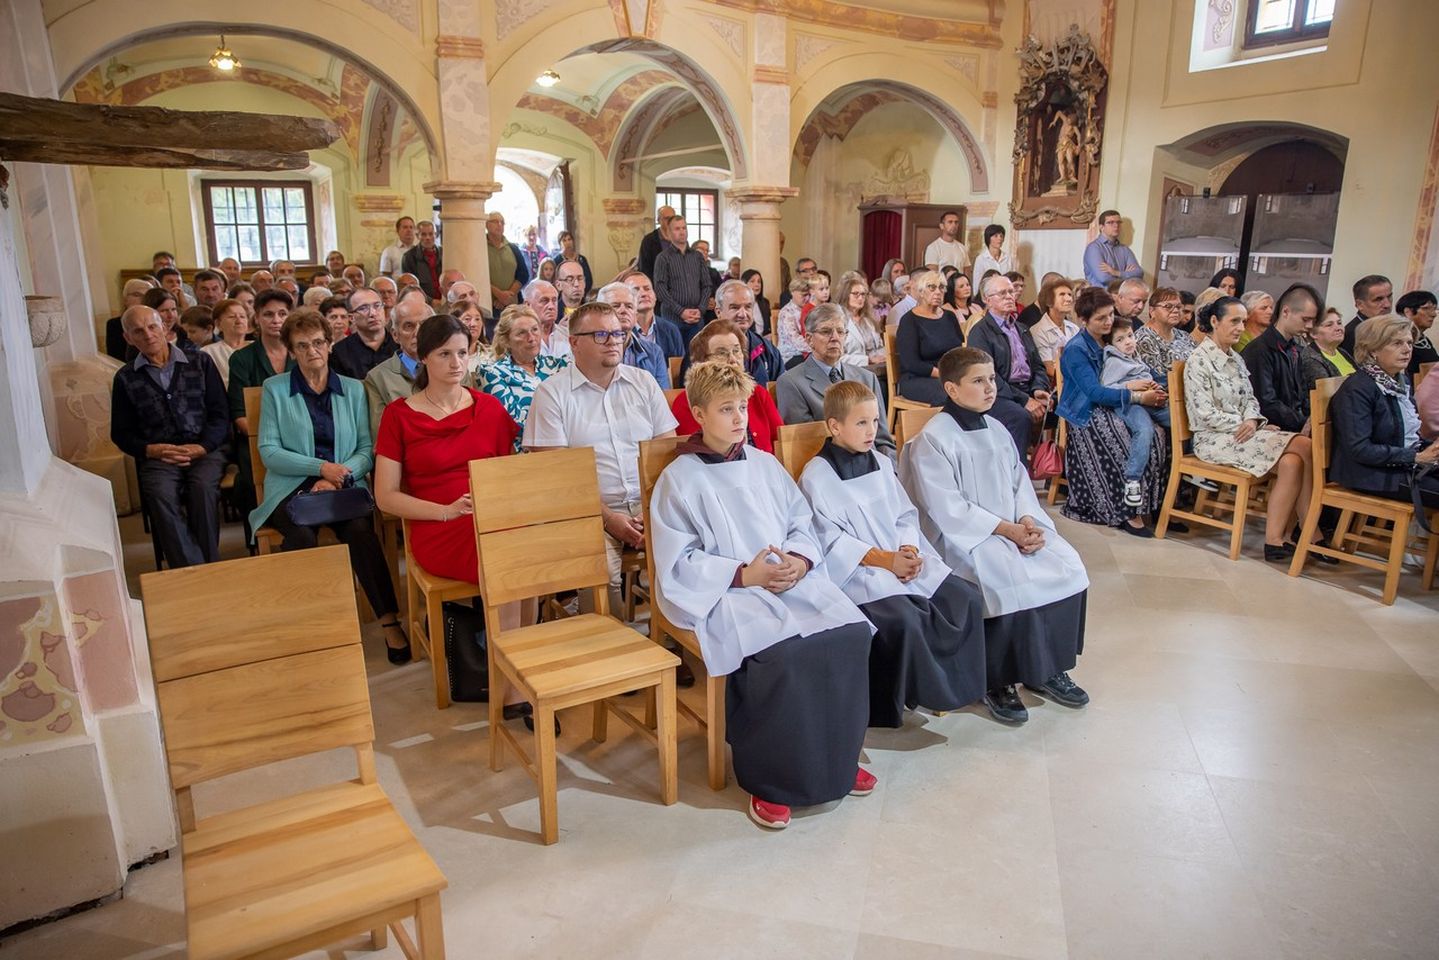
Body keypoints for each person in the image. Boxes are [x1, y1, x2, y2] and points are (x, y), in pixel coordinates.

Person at [650, 359, 876, 830]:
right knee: (784, 656)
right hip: (729, 592)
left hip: (789, 578)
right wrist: (742, 575)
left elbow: (801, 521)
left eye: (743, 408)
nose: (738, 419)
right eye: (725, 409)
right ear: (698, 413)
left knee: (850, 635)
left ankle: (834, 758)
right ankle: (771, 782)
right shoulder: (680, 478)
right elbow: (677, 559)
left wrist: (802, 559)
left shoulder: (767, 464)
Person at [900, 346, 1090, 724]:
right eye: (978, 381)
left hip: (1013, 526)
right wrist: (1007, 531)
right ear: (952, 389)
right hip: (963, 539)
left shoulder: (997, 428)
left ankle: (1045, 668)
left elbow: (1020, 483)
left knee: (1066, 564)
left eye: (991, 379)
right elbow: (946, 509)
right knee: (1003, 573)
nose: (990, 388)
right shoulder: (934, 440)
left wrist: (1029, 522)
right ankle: (997, 681)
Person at [799, 379, 987, 727]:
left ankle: (956, 687)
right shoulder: (817, 476)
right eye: (861, 423)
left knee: (966, 598)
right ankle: (912, 696)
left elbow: (904, 513)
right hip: (861, 573)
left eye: (875, 420)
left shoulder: (881, 463)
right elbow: (829, 542)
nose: (872, 430)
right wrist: (887, 561)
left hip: (902, 557)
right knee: (904, 619)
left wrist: (909, 548)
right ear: (834, 426)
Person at [250, 309, 409, 662]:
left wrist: (339, 475)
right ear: (291, 351)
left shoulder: (352, 389)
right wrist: (320, 468)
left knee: (358, 529)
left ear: (330, 343)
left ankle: (388, 621)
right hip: (290, 487)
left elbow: (367, 450)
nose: (312, 352)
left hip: (343, 484)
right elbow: (269, 451)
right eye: (302, 346)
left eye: (319, 343)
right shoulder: (275, 389)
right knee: (302, 536)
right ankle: (310, 624)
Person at [374, 315, 525, 673]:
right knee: (508, 559)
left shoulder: (488, 407)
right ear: (423, 356)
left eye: (463, 353)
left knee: (524, 547)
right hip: (438, 523)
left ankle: (514, 662)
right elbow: (386, 496)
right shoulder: (399, 416)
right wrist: (446, 510)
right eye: (445, 354)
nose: (457, 363)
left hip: (490, 515)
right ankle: (513, 673)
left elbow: (510, 475)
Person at [524, 301, 678, 611]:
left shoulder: (643, 383)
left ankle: (671, 641)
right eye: (600, 335)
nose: (613, 341)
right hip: (586, 509)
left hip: (647, 503)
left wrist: (649, 509)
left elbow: (666, 453)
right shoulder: (552, 394)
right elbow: (556, 478)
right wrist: (609, 519)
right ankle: (613, 646)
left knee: (687, 554)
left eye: (618, 333)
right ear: (574, 343)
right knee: (603, 575)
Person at [1184, 296, 1315, 561]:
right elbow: (1202, 414)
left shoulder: (1236, 359)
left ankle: (1276, 540)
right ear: (1214, 321)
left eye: (1243, 321)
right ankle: (1312, 530)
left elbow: (1251, 401)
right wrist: (1246, 425)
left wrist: (1253, 421)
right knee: (1306, 445)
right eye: (1234, 321)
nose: (1241, 328)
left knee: (1292, 463)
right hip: (1213, 439)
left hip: (1243, 434)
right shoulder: (1198, 361)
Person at [110, 305, 229, 568]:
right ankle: (192, 569)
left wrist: (203, 446)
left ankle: (210, 565)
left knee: (202, 489)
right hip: (159, 455)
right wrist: (152, 450)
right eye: (138, 331)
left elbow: (221, 415)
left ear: (165, 328)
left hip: (204, 449)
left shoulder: (200, 362)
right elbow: (121, 433)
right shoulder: (125, 378)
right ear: (128, 338)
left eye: (153, 327)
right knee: (160, 494)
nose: (148, 335)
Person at [1057, 288, 1167, 535]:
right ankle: (1127, 512)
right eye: (1100, 318)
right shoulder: (1077, 349)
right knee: (1125, 439)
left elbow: (1136, 368)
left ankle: (1153, 505)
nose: (1108, 322)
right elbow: (1095, 393)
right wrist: (1137, 395)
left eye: (1110, 315)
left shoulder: (1112, 337)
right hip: (1087, 412)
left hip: (1115, 402)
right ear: (1084, 321)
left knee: (1158, 435)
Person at [1330, 314, 1439, 508]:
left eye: (1409, 343)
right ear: (1373, 350)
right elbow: (1359, 449)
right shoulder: (1358, 388)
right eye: (1397, 343)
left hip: (1399, 465)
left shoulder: (1398, 381)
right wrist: (1416, 457)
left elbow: (1405, 435)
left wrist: (1431, 449)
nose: (1407, 350)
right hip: (1371, 474)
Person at [776, 304, 896, 458]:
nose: (835, 338)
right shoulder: (791, 383)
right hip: (830, 467)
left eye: (840, 332)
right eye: (826, 332)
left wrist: (892, 471)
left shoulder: (867, 378)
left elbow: (883, 440)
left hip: (875, 464)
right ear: (809, 339)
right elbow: (806, 445)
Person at [964, 273, 1052, 458]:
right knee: (1019, 417)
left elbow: (1038, 366)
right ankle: (1016, 477)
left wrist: (1037, 390)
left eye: (1011, 292)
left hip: (1027, 389)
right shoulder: (980, 332)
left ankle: (1061, 478)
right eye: (1002, 293)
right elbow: (989, 376)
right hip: (997, 394)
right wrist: (1025, 400)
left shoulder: (1021, 328)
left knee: (1066, 411)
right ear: (987, 300)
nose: (1010, 296)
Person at [228, 290, 297, 517]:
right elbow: (240, 416)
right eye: (268, 314)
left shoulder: (303, 353)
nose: (276, 320)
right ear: (256, 318)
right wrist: (272, 442)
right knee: (251, 475)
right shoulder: (242, 358)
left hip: (301, 437)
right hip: (257, 439)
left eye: (282, 313)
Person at [671, 320, 784, 452]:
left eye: (736, 351)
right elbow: (693, 454)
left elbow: (780, 441)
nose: (732, 359)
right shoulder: (687, 401)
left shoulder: (758, 393)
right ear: (702, 361)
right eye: (721, 353)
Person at [1102, 316, 1173, 509]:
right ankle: (1132, 479)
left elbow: (1146, 376)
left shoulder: (1134, 356)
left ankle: (1192, 464)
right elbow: (1107, 388)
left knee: (1178, 420)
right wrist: (1131, 385)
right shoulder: (1114, 361)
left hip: (1148, 399)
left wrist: (1154, 386)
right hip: (1129, 403)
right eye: (1120, 339)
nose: (1128, 341)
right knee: (1144, 429)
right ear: (1110, 344)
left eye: (1130, 335)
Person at [481, 304, 568, 452]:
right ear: (506, 340)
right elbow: (514, 422)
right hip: (524, 454)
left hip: (569, 445)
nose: (531, 338)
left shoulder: (560, 365)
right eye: (522, 333)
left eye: (535, 330)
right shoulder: (493, 372)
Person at [1241, 283, 1319, 433]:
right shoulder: (1258, 350)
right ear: (1286, 312)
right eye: (1305, 319)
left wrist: (1313, 419)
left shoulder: (1295, 349)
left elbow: (1302, 395)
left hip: (1291, 424)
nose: (1310, 325)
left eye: (1313, 320)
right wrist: (1305, 423)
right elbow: (1266, 403)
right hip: (1272, 426)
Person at [364, 298, 445, 442]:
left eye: (424, 325)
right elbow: (382, 437)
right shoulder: (377, 378)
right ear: (395, 335)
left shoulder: (454, 368)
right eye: (409, 326)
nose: (418, 333)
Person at [894, 270, 966, 407]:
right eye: (932, 287)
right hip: (917, 378)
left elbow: (959, 350)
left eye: (941, 287)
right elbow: (911, 363)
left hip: (949, 375)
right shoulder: (909, 320)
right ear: (921, 292)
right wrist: (943, 374)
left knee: (974, 389)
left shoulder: (950, 317)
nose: (938, 292)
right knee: (951, 393)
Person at [654, 215, 713, 348]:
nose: (682, 232)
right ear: (669, 233)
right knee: (674, 358)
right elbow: (660, 289)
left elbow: (706, 285)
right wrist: (681, 311)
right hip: (672, 318)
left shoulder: (697, 256)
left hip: (696, 318)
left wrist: (701, 309)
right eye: (677, 229)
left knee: (696, 356)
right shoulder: (663, 258)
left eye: (684, 228)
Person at [597, 281, 668, 388]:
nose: (623, 310)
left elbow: (662, 396)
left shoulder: (654, 352)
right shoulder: (591, 351)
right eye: (615, 306)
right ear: (600, 314)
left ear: (635, 316)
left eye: (629, 306)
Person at [713, 278, 784, 385]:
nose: (743, 314)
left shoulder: (767, 349)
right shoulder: (702, 348)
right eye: (735, 307)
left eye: (748, 307)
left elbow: (780, 389)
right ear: (719, 312)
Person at [329, 286, 397, 381]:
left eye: (377, 306)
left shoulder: (400, 345)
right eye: (363, 308)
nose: (372, 313)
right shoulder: (339, 353)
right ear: (351, 317)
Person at [1133, 286, 1194, 377]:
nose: (1176, 310)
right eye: (1168, 306)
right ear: (1152, 311)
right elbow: (1159, 379)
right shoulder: (1144, 338)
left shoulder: (1184, 335)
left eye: (1178, 307)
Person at [624, 270, 684, 360]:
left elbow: (679, 369)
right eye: (635, 290)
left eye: (647, 288)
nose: (644, 293)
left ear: (655, 296)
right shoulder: (621, 332)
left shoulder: (671, 330)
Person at [835, 270, 886, 372]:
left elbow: (880, 346)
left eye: (863, 294)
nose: (860, 298)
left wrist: (885, 355)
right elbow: (836, 357)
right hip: (851, 371)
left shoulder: (869, 320)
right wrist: (867, 360)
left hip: (875, 369)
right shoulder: (837, 320)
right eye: (856, 294)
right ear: (845, 295)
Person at [1082, 209, 1144, 287]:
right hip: (1099, 297)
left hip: (1121, 297)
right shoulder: (1094, 248)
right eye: (1110, 222)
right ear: (1101, 227)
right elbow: (1104, 278)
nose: (1116, 225)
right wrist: (1127, 276)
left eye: (1118, 222)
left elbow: (1139, 273)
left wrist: (1116, 273)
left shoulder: (1125, 249)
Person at [1302, 306, 1356, 395]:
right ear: (1313, 333)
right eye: (1329, 325)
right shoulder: (1310, 358)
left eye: (1339, 323)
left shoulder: (1342, 352)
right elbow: (1326, 394)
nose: (1338, 328)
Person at [1029, 277, 1079, 369]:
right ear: (1049, 302)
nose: (1068, 299)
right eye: (1062, 294)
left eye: (1069, 294)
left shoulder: (1074, 328)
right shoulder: (1038, 331)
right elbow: (1049, 369)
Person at [484, 212, 529, 310]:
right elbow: (478, 275)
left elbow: (523, 274)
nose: (499, 225)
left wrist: (508, 296)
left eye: (502, 222)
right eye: (495, 221)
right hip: (489, 304)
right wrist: (499, 294)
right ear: (486, 224)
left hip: (512, 304)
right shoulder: (480, 248)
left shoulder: (513, 248)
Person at [1341, 274, 1393, 357]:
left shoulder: (1389, 327)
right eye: (1378, 299)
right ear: (1360, 304)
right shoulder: (1353, 336)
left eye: (1389, 297)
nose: (1387, 304)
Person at [202, 298, 249, 388]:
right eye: (232, 317)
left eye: (242, 316)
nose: (239, 321)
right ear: (218, 324)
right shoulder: (208, 352)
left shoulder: (258, 348)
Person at [106, 279, 155, 360]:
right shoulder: (114, 324)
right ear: (125, 299)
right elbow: (115, 358)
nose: (143, 299)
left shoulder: (157, 321)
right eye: (137, 294)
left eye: (147, 296)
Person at [523, 278, 570, 360]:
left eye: (554, 300)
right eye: (544, 301)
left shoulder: (568, 335)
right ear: (527, 305)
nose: (551, 306)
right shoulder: (518, 340)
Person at [1397, 289, 1439, 374]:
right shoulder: (1399, 340)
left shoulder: (1424, 340)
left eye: (1434, 309)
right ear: (1408, 312)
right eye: (1426, 308)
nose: (1433, 314)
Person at [399, 220, 442, 301]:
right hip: (423, 301)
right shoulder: (409, 257)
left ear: (436, 235)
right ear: (417, 236)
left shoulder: (444, 253)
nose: (428, 238)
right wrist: (430, 301)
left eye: (431, 234)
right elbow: (410, 286)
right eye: (423, 234)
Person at [774, 274, 812, 362]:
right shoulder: (786, 312)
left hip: (808, 353)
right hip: (790, 356)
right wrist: (818, 348)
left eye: (809, 295)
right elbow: (796, 341)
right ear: (792, 292)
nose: (807, 298)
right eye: (804, 295)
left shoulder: (810, 309)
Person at [636, 204, 676, 280]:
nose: (670, 221)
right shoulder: (649, 240)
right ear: (658, 220)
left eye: (672, 218)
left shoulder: (680, 238)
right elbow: (644, 267)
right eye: (666, 218)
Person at [741, 269, 771, 335]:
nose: (757, 285)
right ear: (744, 283)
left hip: (764, 341)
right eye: (752, 281)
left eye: (759, 281)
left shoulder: (765, 303)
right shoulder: (740, 304)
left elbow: (769, 328)